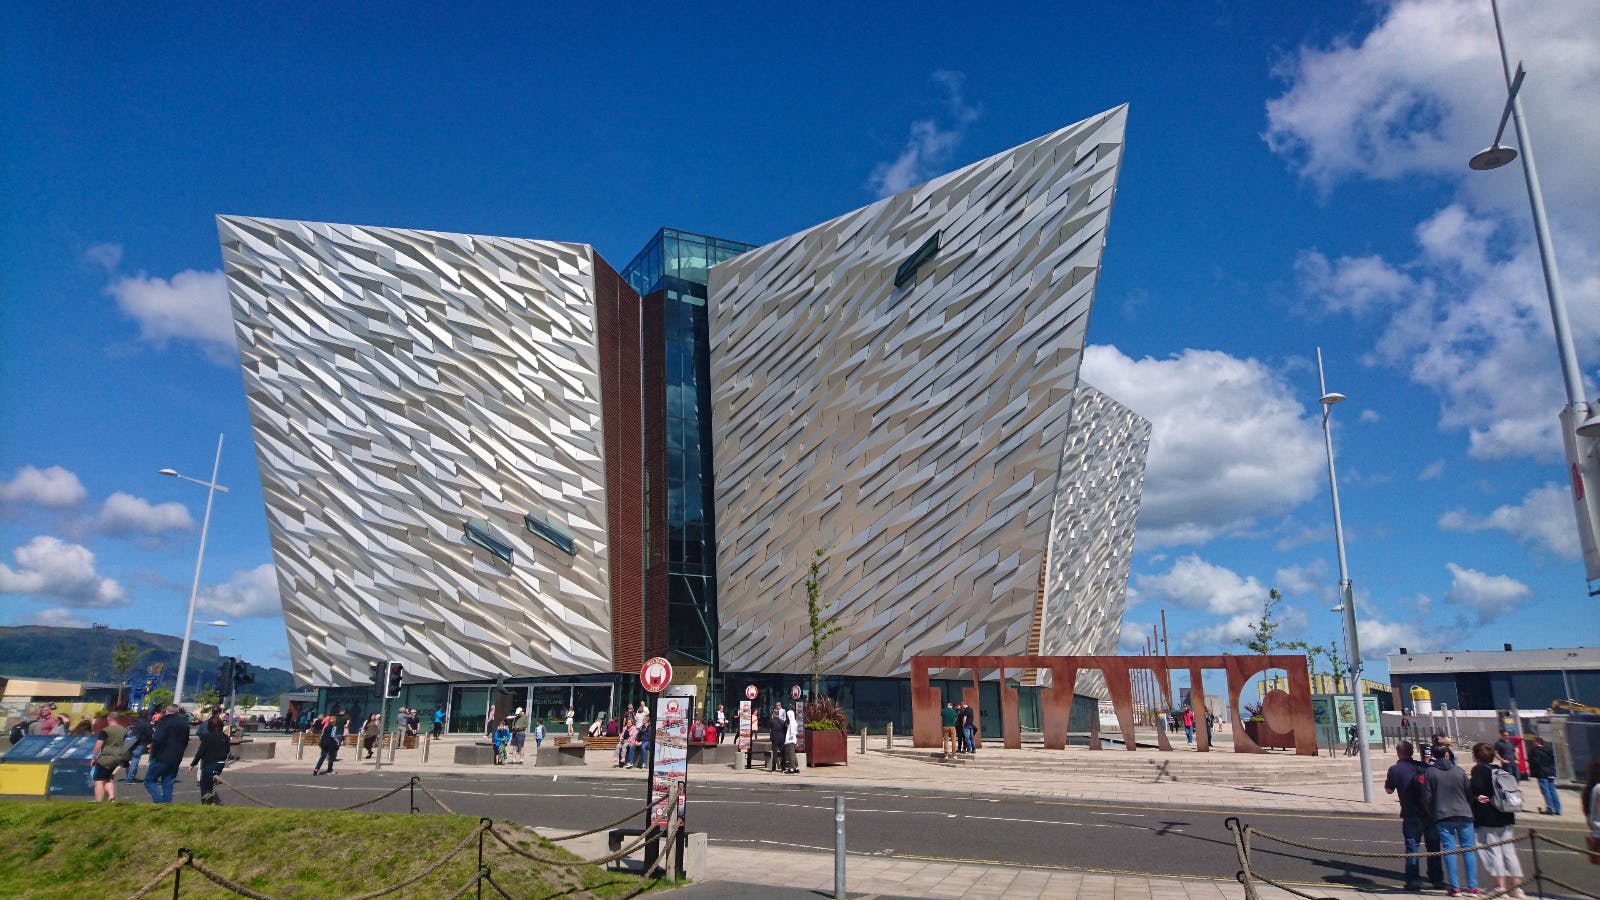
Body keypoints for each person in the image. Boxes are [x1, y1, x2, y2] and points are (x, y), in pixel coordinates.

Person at [1383, 740, 1444, 890]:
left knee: (1412, 847)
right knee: (1434, 846)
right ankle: (1436, 879)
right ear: (1412, 752)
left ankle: (1413, 880)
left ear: (1398, 753)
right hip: (1428, 813)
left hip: (1410, 813)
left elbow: (1389, 790)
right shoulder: (1423, 766)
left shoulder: (1395, 770)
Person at [1470, 741, 1524, 897]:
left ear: (1476, 756)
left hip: (1488, 816)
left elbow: (1475, 790)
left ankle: (1500, 886)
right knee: (1509, 851)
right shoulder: (1498, 770)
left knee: (1492, 851)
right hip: (1506, 815)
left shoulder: (1479, 771)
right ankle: (1516, 886)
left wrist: (1475, 797)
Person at [1430, 742, 1478, 896]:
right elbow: (1469, 793)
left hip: (1443, 815)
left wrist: (1433, 812)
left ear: (1432, 756)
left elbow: (1427, 798)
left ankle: (1455, 888)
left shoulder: (1430, 773)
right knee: (1468, 849)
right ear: (1446, 754)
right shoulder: (1459, 771)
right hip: (1464, 813)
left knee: (1449, 850)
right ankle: (1473, 888)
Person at [145, 705, 191, 804]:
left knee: (150, 780)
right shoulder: (184, 723)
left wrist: (153, 748)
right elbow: (186, 741)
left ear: (167, 711)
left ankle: (160, 802)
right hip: (176, 757)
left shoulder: (164, 722)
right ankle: (167, 805)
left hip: (162, 756)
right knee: (168, 782)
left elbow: (158, 739)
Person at [190, 714, 231, 804]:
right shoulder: (225, 737)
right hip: (220, 763)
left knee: (204, 785)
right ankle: (217, 801)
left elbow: (201, 752)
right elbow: (227, 750)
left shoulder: (208, 737)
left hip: (209, 763)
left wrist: (193, 763)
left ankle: (207, 804)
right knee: (211, 784)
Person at [91, 713, 129, 803]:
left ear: (108, 719)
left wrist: (94, 757)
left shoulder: (106, 730)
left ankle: (98, 802)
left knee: (99, 780)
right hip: (118, 757)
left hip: (107, 757)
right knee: (108, 778)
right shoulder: (123, 730)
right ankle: (111, 797)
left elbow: (99, 743)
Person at [1527, 735, 1559, 815]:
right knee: (1553, 790)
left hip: (1542, 773)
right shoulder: (1549, 749)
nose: (1533, 743)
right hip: (1551, 772)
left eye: (1534, 742)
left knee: (1546, 791)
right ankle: (1558, 809)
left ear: (1537, 742)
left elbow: (1535, 762)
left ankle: (1550, 808)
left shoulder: (1536, 751)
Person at [124, 709, 154, 783]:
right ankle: (130, 778)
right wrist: (150, 741)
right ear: (147, 715)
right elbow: (150, 733)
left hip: (130, 742)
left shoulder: (135, 722)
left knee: (129, 759)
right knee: (135, 760)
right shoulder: (146, 723)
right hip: (140, 743)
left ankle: (130, 777)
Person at [769, 703, 787, 772]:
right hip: (782, 739)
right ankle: (783, 768)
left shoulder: (772, 721)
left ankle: (773, 768)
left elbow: (770, 729)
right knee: (783, 754)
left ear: (774, 714)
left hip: (775, 739)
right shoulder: (783, 722)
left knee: (775, 754)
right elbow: (785, 730)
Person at [783, 702, 801, 774]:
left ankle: (791, 769)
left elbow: (793, 733)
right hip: (792, 741)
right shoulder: (793, 722)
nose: (787, 717)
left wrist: (788, 740)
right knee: (793, 754)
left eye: (787, 715)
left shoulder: (792, 723)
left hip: (790, 741)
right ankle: (796, 767)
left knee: (791, 755)